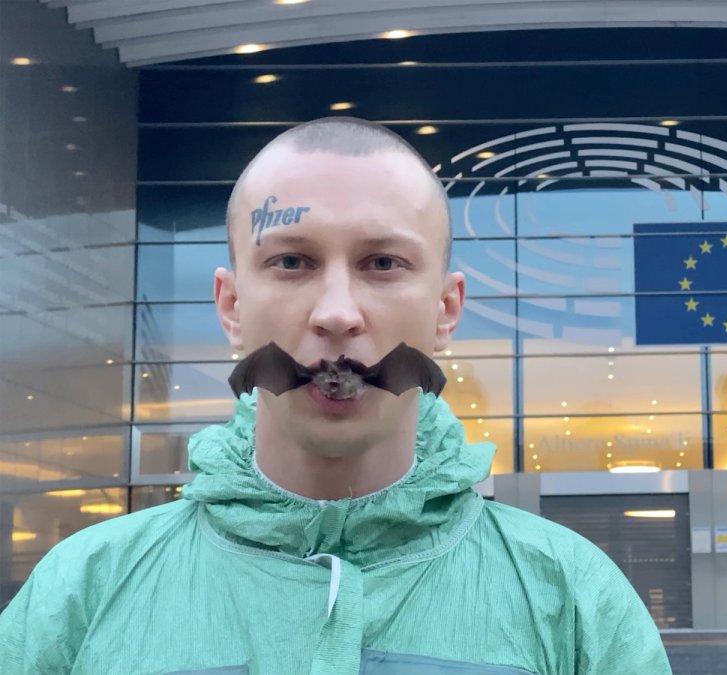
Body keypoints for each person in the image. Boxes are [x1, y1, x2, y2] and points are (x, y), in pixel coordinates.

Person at [0, 117, 672, 674]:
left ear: (446, 309)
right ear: (231, 306)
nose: (337, 313)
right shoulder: (80, 594)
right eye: (291, 261)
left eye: (383, 263)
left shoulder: (574, 600)